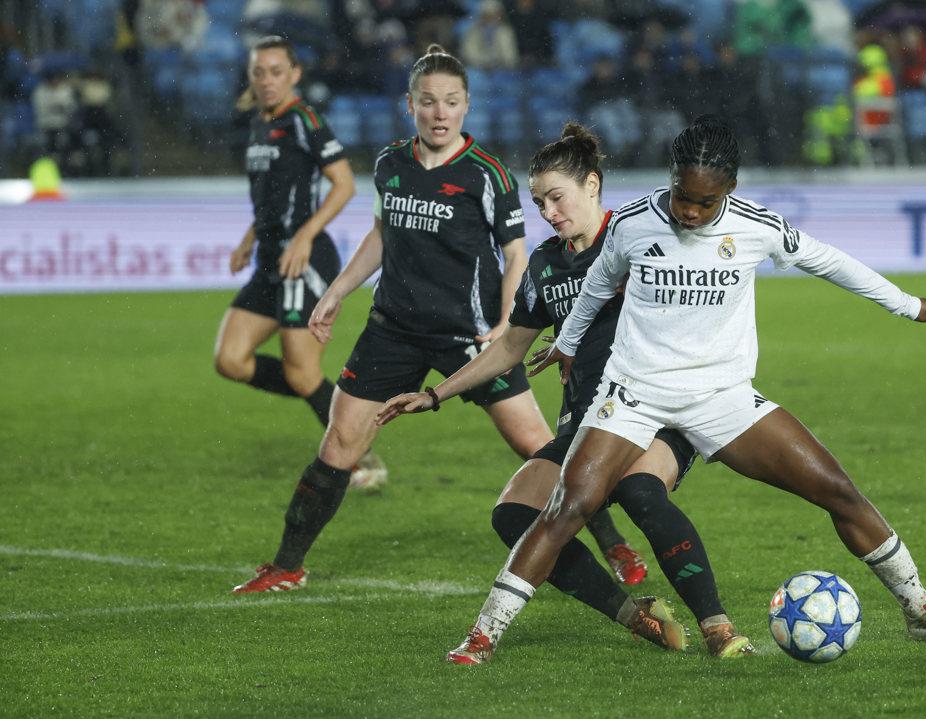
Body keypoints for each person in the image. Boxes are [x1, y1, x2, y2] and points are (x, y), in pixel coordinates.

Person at [430, 116, 926, 664]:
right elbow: (598, 284)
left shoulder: (756, 225)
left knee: (836, 489)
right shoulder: (634, 223)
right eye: (683, 197)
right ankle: (482, 636)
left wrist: (906, 304)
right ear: (672, 179)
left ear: (729, 189)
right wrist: (569, 342)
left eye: (706, 202)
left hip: (721, 396)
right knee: (566, 507)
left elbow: (827, 261)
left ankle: (918, 606)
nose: (691, 211)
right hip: (635, 393)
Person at [231, 45, 645, 594]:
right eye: (428, 101)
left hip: (469, 336)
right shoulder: (390, 164)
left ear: (466, 105)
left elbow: (515, 255)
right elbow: (381, 236)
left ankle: (614, 544)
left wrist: (505, 322)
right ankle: (287, 565)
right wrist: (337, 290)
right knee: (339, 444)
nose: (439, 112)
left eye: (451, 101)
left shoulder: (486, 174)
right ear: (411, 106)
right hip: (392, 332)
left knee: (537, 445)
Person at [376, 123, 752, 659]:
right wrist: (436, 394)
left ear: (592, 184)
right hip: (585, 422)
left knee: (639, 491)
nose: (548, 212)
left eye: (557, 197)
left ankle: (718, 629)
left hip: (657, 413)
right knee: (512, 513)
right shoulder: (546, 264)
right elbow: (510, 347)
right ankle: (634, 615)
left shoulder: (642, 236)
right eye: (539, 203)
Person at [212, 36, 385, 484]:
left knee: (302, 371)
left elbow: (344, 184)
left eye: (276, 71)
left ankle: (360, 455)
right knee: (230, 359)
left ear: (294, 74)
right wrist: (249, 238)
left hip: (303, 260)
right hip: (270, 260)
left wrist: (305, 235)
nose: (267, 80)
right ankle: (344, 413)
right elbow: (272, 198)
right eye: (259, 72)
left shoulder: (304, 120)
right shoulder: (259, 123)